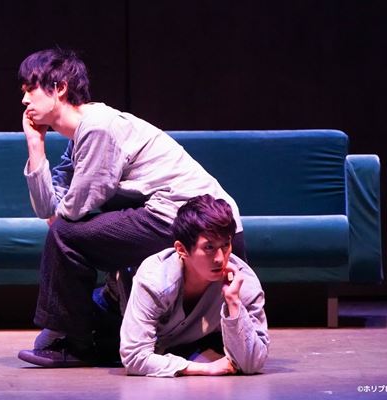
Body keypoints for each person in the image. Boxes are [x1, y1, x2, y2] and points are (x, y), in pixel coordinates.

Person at [16, 48, 246, 367]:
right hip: (174, 219)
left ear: (59, 88)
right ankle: (82, 334)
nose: (24, 100)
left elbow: (68, 214)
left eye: (31, 89)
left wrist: (59, 217)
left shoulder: (98, 127)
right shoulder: (79, 139)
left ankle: (73, 343)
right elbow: (48, 209)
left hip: (196, 222)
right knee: (67, 236)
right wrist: (35, 146)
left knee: (65, 236)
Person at [120, 194, 269, 377]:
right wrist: (205, 368)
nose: (220, 258)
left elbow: (252, 363)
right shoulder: (155, 280)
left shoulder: (243, 283)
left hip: (178, 343)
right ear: (182, 250)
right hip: (112, 316)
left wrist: (233, 303)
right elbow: (134, 357)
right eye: (209, 247)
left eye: (225, 245)